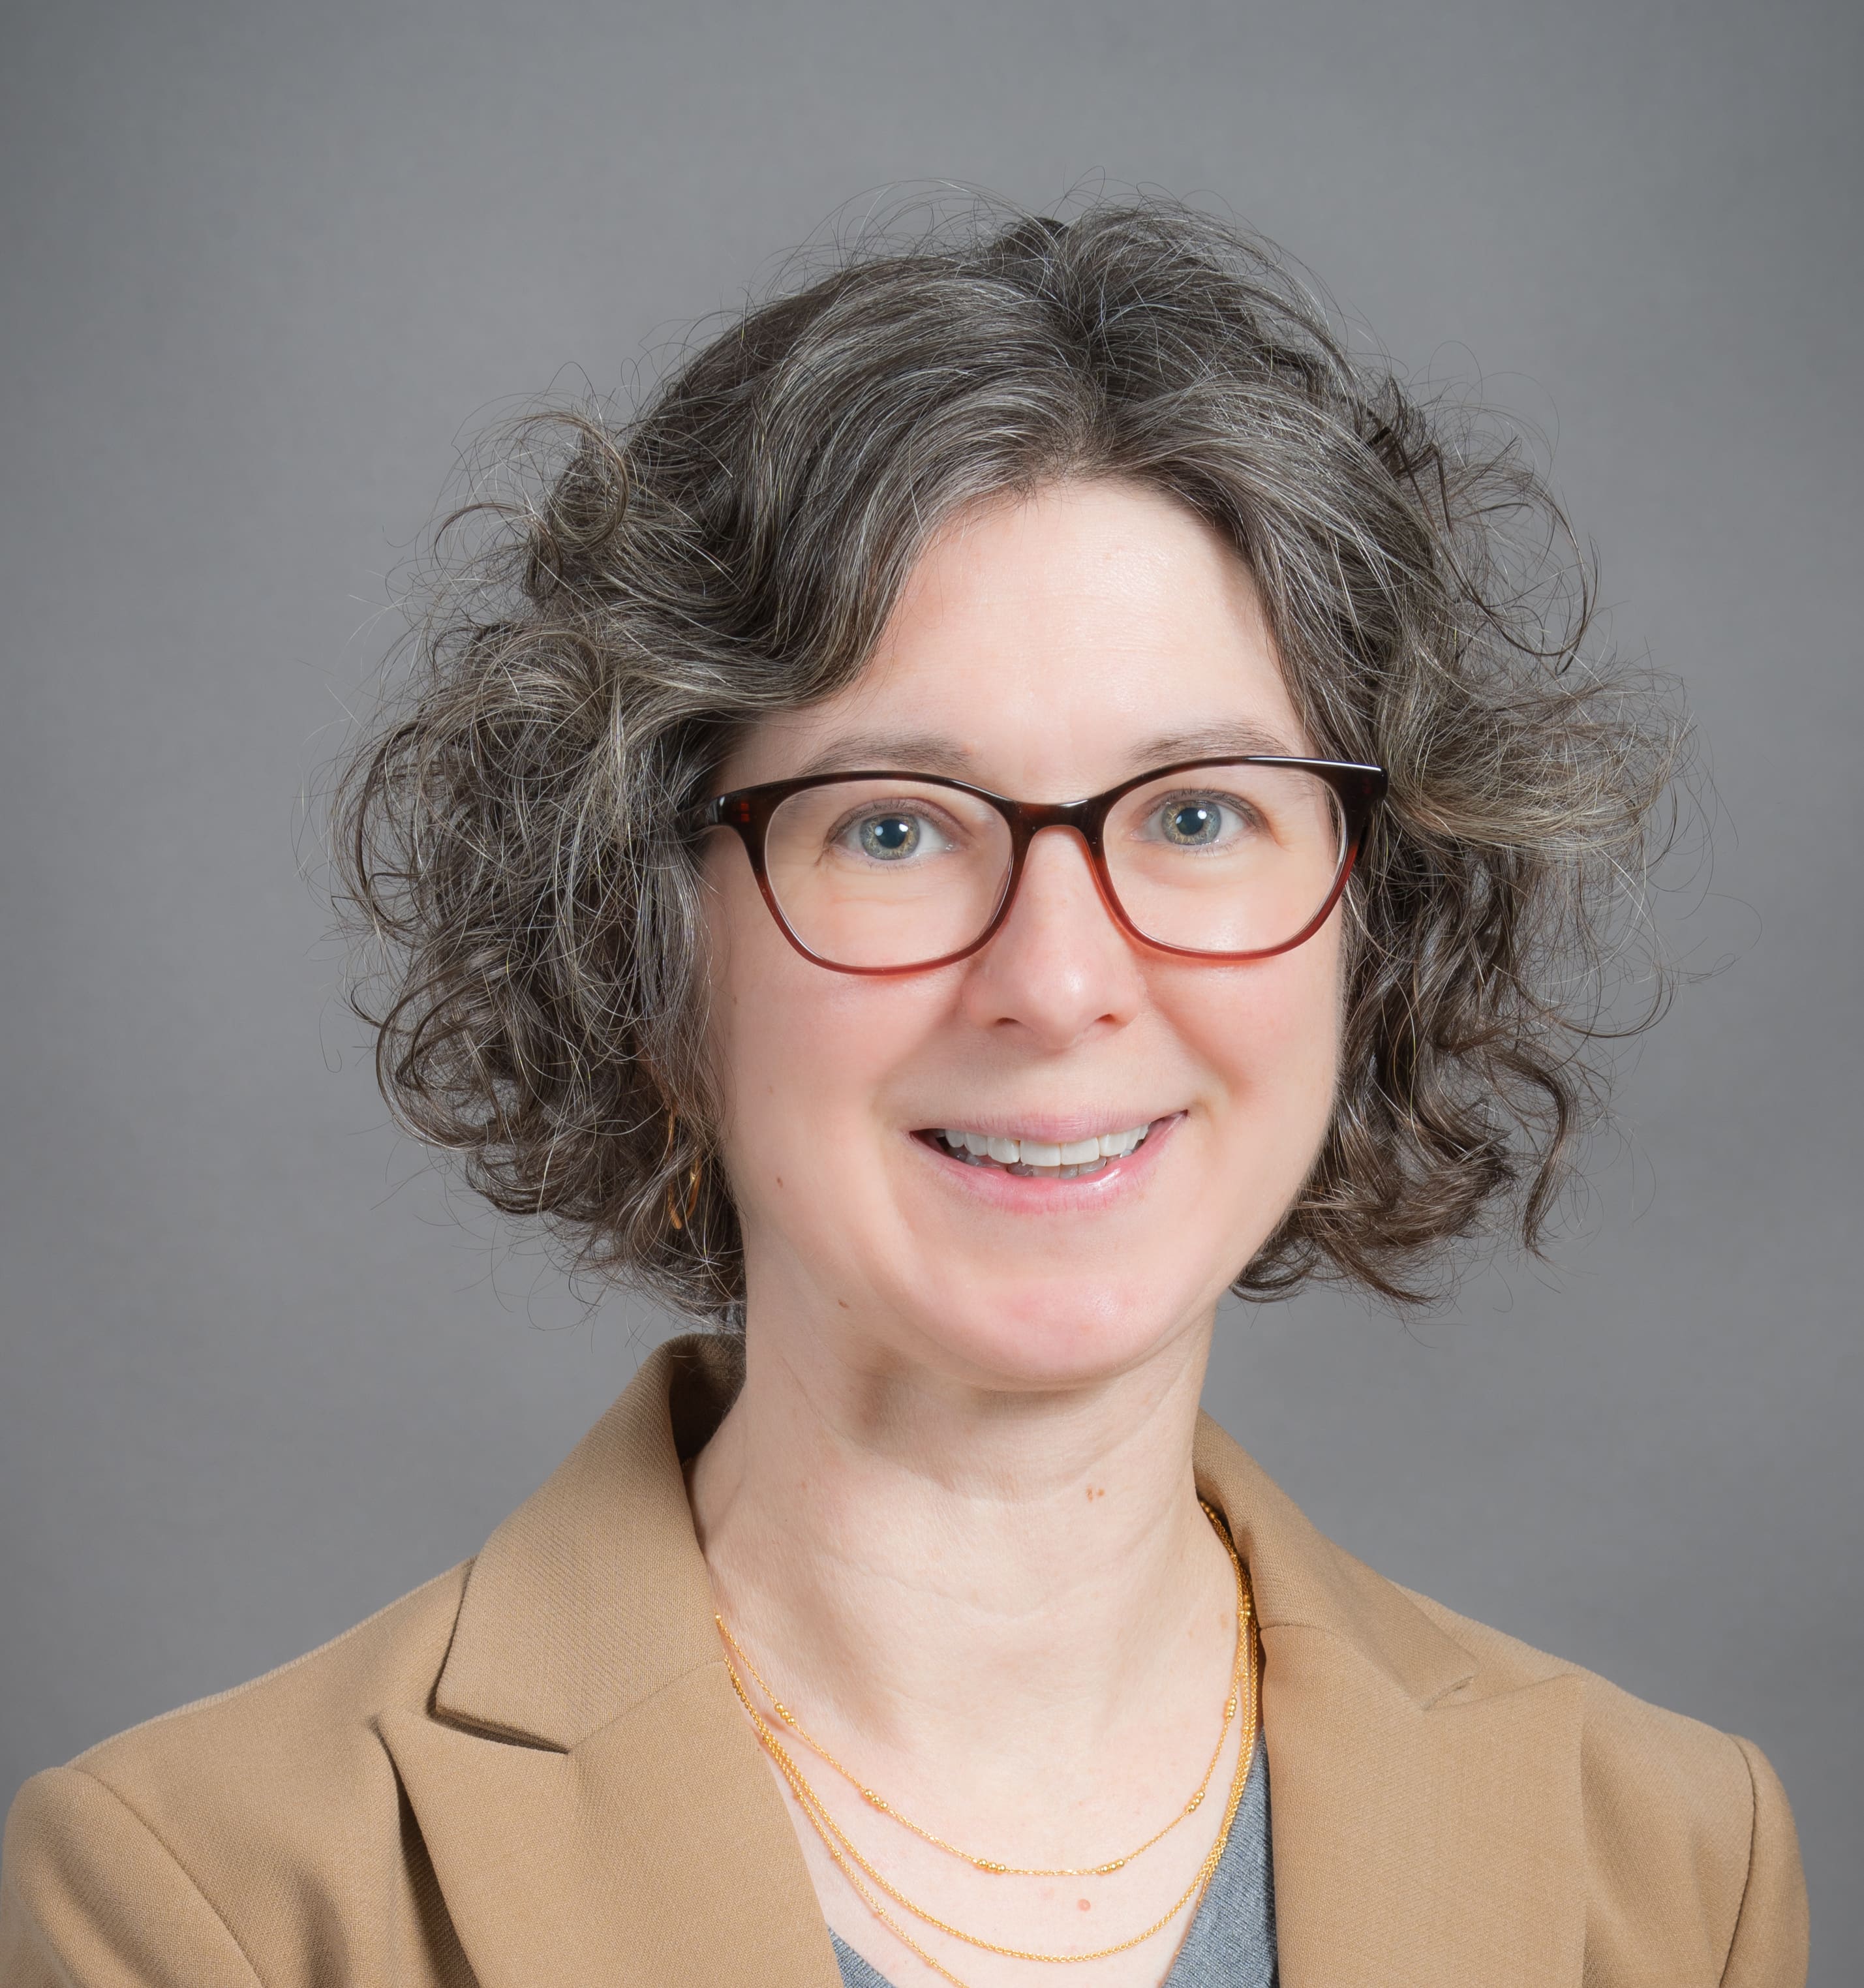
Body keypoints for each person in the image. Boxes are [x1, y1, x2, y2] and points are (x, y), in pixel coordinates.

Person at [0, 201, 1807, 1988]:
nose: (1060, 983)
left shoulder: (1665, 1872)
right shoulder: (206, 1901)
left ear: (1369, 918)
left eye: (1198, 813)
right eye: (891, 829)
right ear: (646, 940)